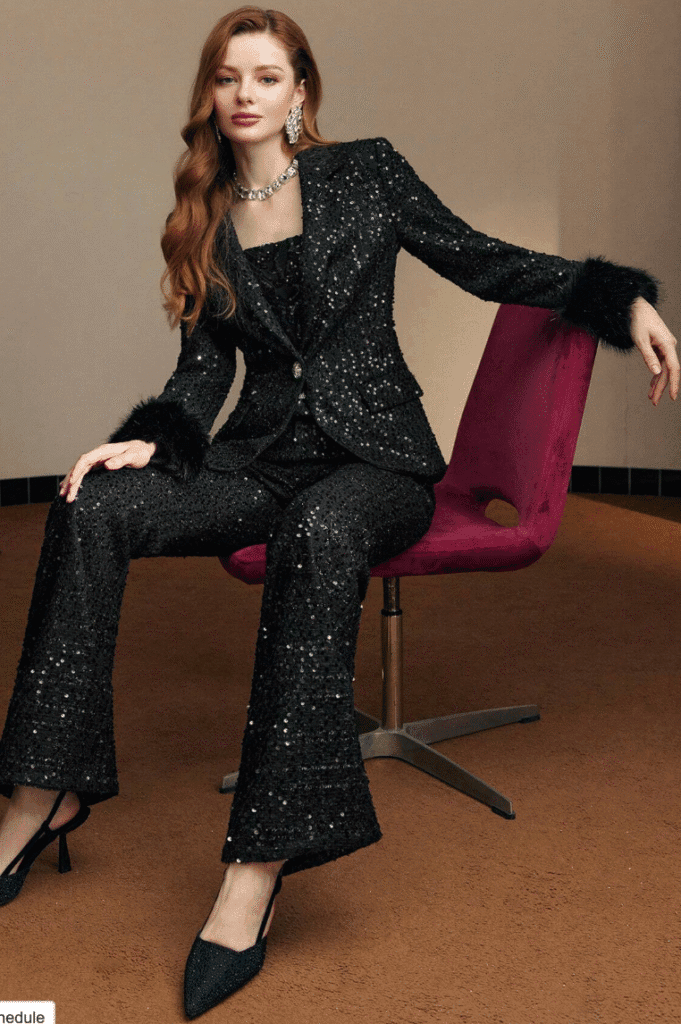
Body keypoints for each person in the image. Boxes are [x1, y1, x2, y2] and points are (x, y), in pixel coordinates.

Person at [0, 5, 677, 1019]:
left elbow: (480, 258)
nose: (244, 95)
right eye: (227, 77)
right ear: (209, 94)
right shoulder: (202, 216)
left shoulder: (366, 173)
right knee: (93, 504)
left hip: (378, 465)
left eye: (266, 76)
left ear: (300, 91)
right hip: (261, 457)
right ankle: (40, 793)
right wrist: (152, 436)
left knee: (318, 531)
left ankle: (261, 865)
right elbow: (202, 374)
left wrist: (617, 296)